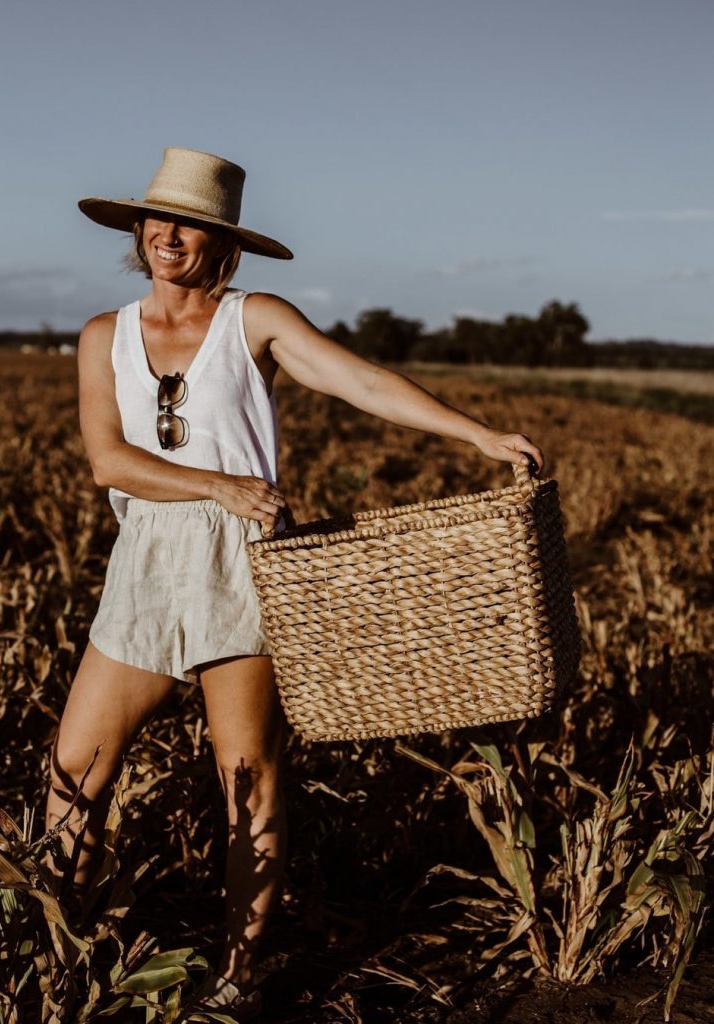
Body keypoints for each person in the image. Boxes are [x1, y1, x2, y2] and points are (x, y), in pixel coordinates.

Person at [43, 147, 544, 1022]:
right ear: (138, 230)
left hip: (242, 564)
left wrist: (476, 435)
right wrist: (214, 482)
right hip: (146, 566)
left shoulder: (254, 319)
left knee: (251, 774)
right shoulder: (102, 335)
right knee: (71, 776)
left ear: (221, 241)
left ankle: (235, 978)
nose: (170, 235)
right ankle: (63, 943)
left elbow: (360, 379)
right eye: (158, 220)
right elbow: (107, 460)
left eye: (191, 223)